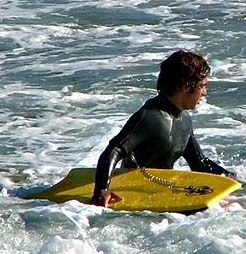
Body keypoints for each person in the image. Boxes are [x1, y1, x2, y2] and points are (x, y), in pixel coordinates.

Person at [90, 50, 233, 207]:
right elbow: (113, 151)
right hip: (135, 196)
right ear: (186, 86)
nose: (204, 93)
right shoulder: (149, 117)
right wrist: (101, 190)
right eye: (202, 86)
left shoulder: (183, 118)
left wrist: (233, 179)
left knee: (232, 205)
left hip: (163, 193)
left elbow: (199, 163)